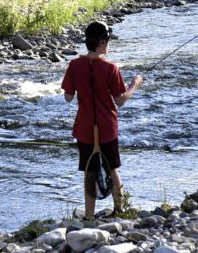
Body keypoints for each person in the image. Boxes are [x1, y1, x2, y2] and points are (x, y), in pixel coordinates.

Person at [61, 21, 142, 220]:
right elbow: (120, 100)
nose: (109, 45)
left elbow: (68, 97)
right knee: (112, 168)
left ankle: (89, 217)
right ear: (102, 43)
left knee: (89, 172)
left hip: (85, 128)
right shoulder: (111, 68)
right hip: (107, 128)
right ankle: (119, 211)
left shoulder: (74, 65)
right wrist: (134, 85)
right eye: (108, 42)